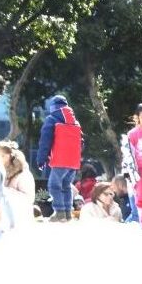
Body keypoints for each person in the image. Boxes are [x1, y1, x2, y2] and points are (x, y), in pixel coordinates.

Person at [35, 94, 83, 223]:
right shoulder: (75, 122)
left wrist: (41, 159)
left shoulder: (51, 119)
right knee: (66, 186)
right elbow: (81, 142)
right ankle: (68, 213)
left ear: (53, 107)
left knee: (54, 186)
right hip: (73, 162)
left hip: (60, 160)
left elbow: (45, 141)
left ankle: (60, 212)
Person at [0, 140, 37, 234]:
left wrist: (5, 192)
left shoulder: (23, 174)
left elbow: (29, 198)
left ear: (6, 157)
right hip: (2, 221)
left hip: (20, 219)